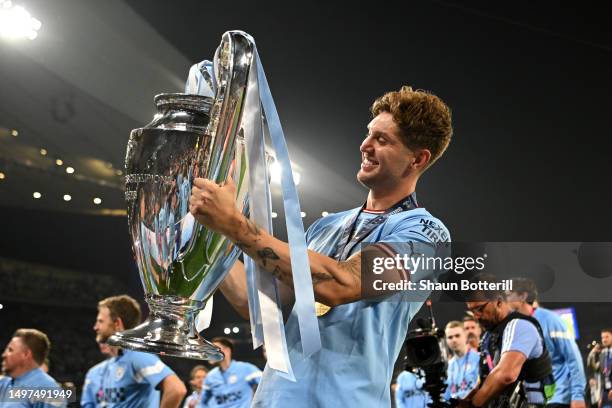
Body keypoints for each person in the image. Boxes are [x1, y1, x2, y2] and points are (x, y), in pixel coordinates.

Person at [189, 85, 453, 407]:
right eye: (369, 134)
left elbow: (341, 284)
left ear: (418, 158)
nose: (365, 145)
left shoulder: (425, 234)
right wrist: (209, 236)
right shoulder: (326, 227)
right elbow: (252, 303)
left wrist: (234, 224)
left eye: (382, 140)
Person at [461, 274, 553, 408]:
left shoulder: (520, 326)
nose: (476, 316)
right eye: (472, 311)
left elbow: (506, 375)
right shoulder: (488, 336)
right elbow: (486, 380)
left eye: (480, 309)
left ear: (498, 301)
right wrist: (465, 401)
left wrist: (473, 405)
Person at [81, 295, 186, 408]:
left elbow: (176, 389)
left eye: (100, 321)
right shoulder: (113, 363)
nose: (95, 327)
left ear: (117, 324)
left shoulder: (137, 355)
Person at [507, 277, 587, 408]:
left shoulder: (552, 320)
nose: (505, 299)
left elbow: (574, 358)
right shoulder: (517, 325)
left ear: (522, 296)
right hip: (534, 400)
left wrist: (578, 396)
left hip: (558, 398)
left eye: (508, 295)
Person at [0, 328, 65, 408]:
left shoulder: (48, 389)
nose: (4, 355)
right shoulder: (4, 383)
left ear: (26, 354)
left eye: (10, 350)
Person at [200, 338, 261, 408]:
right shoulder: (210, 376)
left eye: (214, 349)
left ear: (227, 351)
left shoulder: (246, 369)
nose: (210, 352)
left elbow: (266, 385)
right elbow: (202, 403)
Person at [444, 321, 480, 401]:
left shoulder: (478, 359)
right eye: (450, 337)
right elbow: (447, 395)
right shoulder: (448, 365)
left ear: (465, 337)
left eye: (457, 336)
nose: (454, 340)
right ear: (446, 340)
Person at [587, 328, 612, 408]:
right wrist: (592, 353)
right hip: (605, 391)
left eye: (607, 337)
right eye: (602, 337)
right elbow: (593, 368)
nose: (604, 340)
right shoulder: (602, 355)